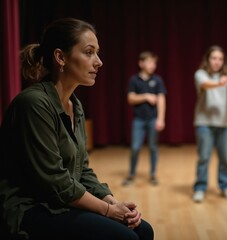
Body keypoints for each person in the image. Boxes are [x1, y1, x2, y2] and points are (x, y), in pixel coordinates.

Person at [0, 18, 153, 240]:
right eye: (89, 52)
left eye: (97, 52)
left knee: (143, 230)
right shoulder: (33, 104)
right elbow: (54, 181)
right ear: (60, 57)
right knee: (125, 238)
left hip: (59, 200)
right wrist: (108, 211)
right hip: (29, 208)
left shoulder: (75, 105)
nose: (99, 61)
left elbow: (82, 170)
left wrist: (111, 200)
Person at [192, 45, 227, 203]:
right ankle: (200, 188)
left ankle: (225, 185)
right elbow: (205, 85)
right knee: (204, 157)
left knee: (225, 157)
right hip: (204, 123)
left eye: (220, 59)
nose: (217, 62)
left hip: (225, 123)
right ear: (208, 59)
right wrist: (221, 83)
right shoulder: (200, 74)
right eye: (214, 58)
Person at [122, 51, 166, 186]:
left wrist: (161, 119)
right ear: (141, 63)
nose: (153, 65)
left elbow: (161, 99)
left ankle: (153, 174)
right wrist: (146, 96)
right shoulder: (134, 80)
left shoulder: (157, 80)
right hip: (139, 120)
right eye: (150, 62)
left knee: (153, 147)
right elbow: (130, 98)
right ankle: (131, 173)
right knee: (135, 147)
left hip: (153, 119)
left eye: (154, 63)